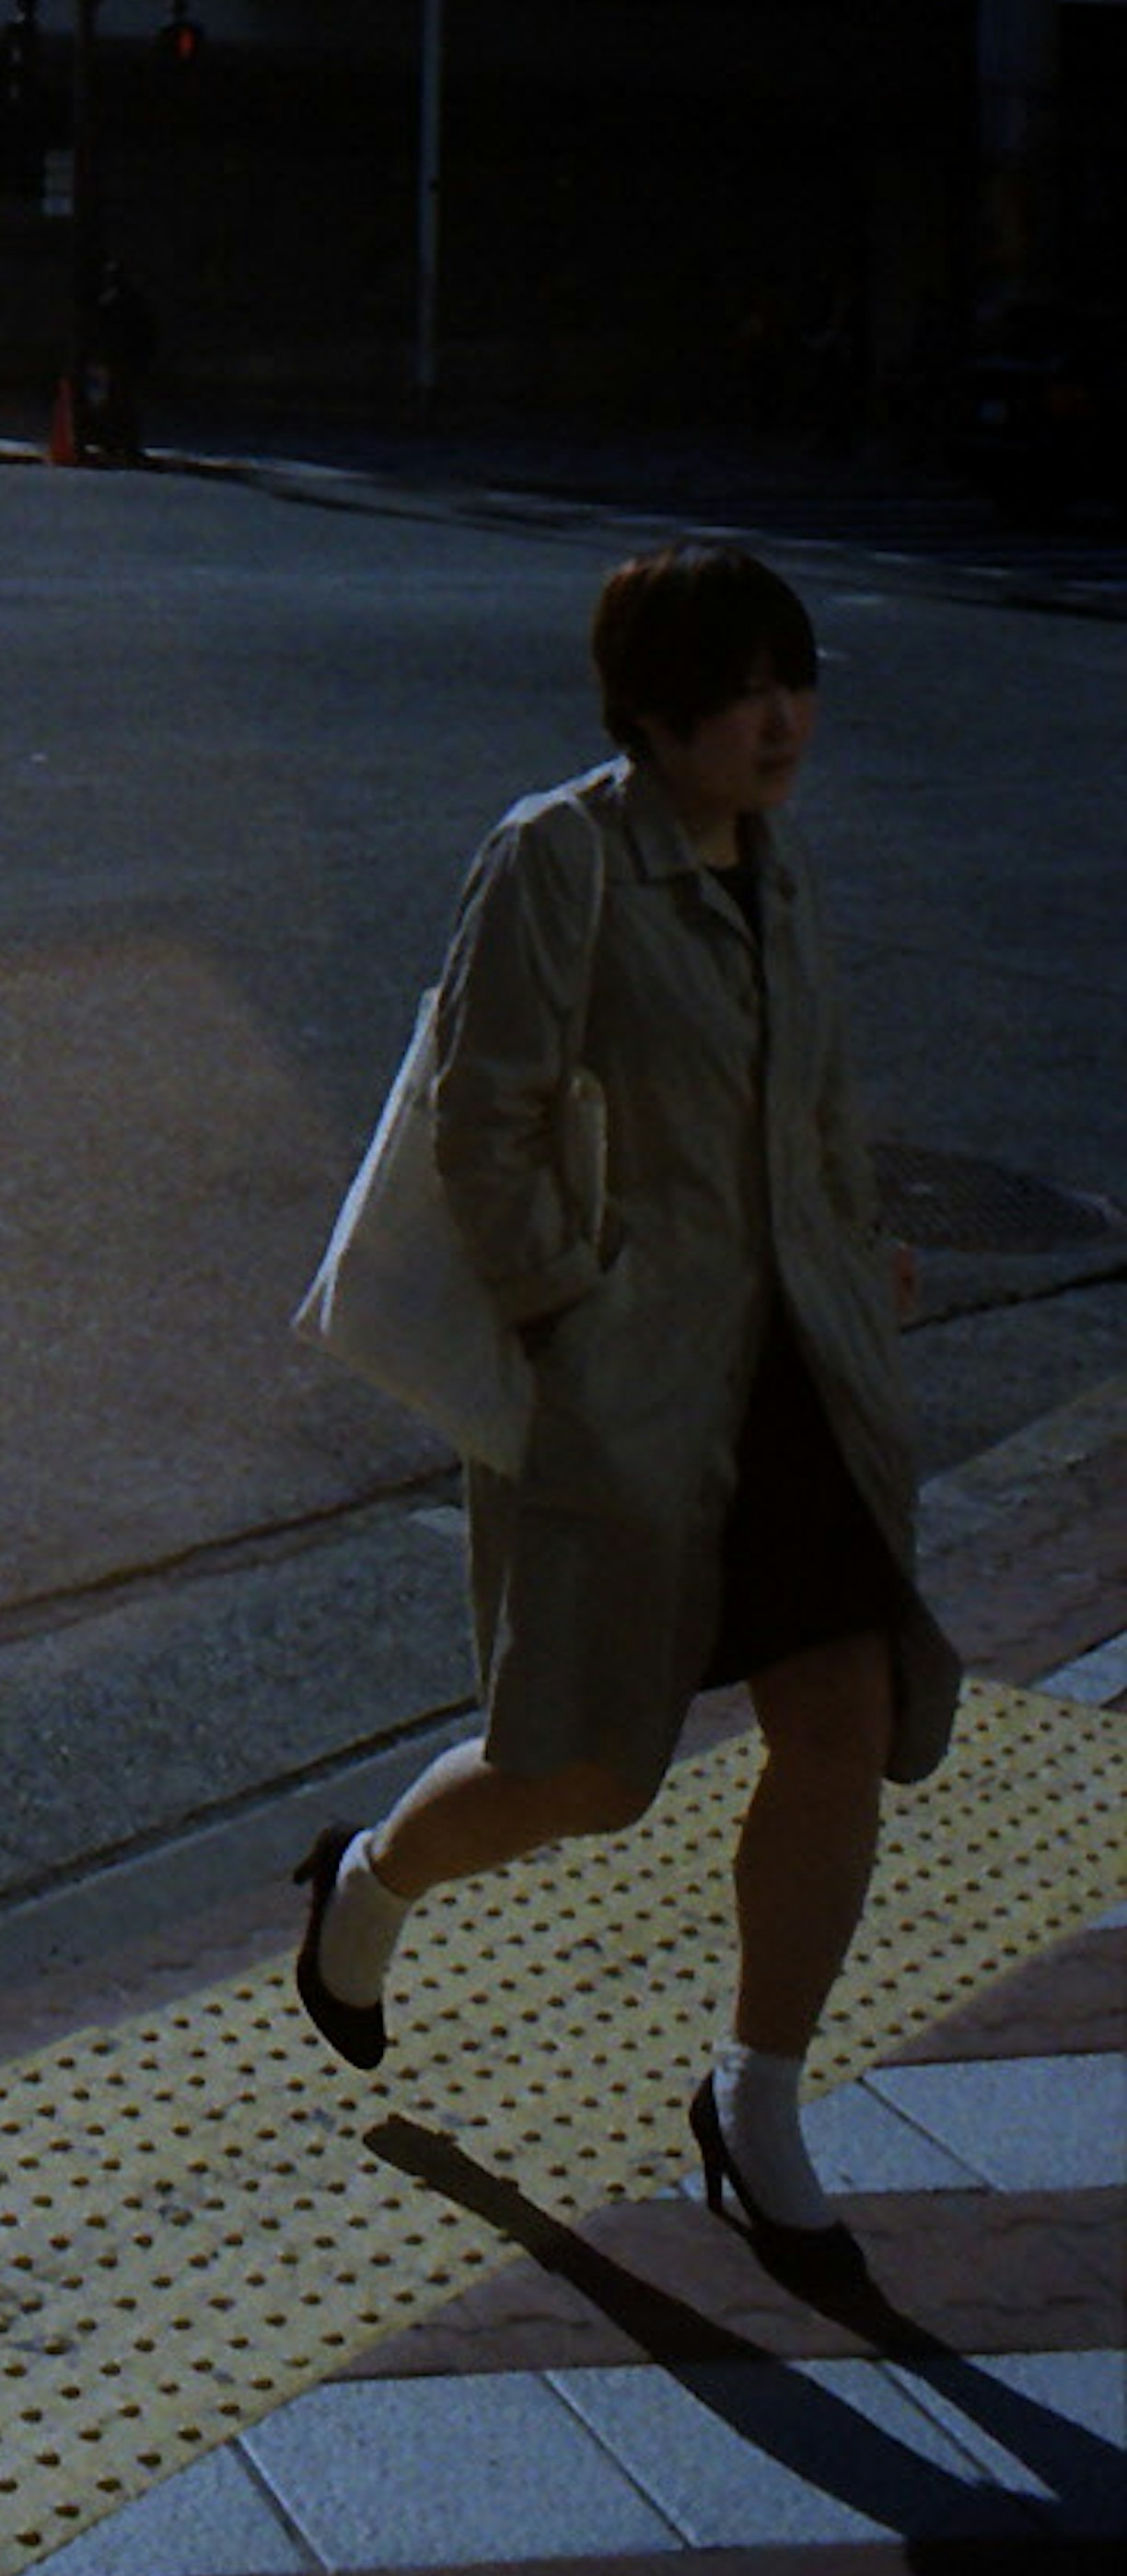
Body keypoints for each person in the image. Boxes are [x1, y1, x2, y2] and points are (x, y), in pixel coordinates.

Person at [292, 545, 956, 2284]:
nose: (782, 717)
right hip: (635, 1396)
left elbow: (812, 1106)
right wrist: (569, 1319)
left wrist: (848, 1242)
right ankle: (369, 1884)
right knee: (576, 1776)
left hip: (794, 1378)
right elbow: (480, 1122)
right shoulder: (558, 858)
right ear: (652, 713)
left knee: (841, 1714)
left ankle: (758, 2095)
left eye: (795, 678)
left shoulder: (775, 865)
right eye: (742, 689)